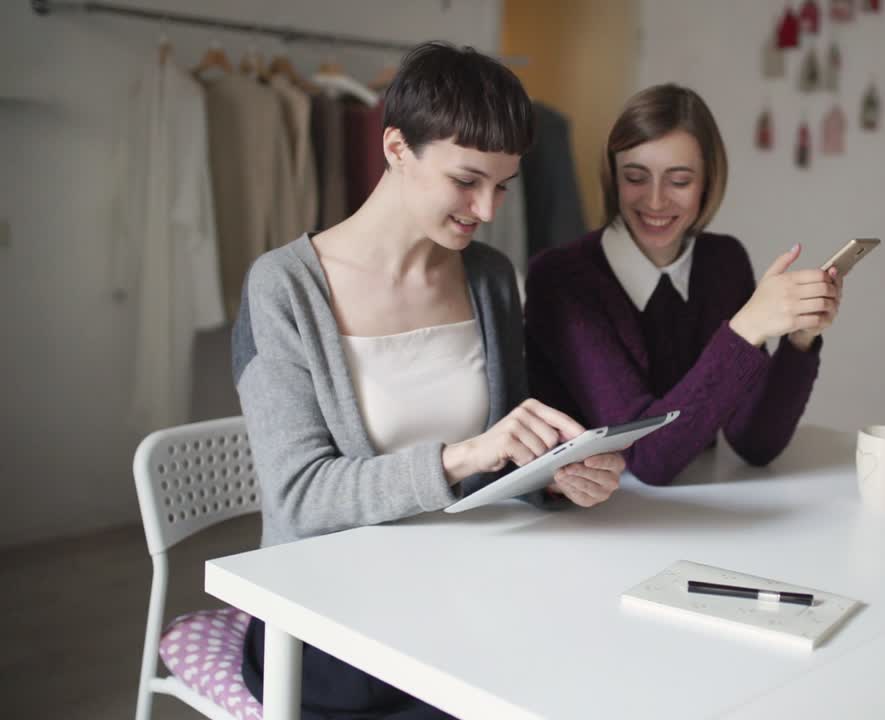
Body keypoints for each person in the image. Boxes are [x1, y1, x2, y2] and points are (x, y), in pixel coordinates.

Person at [231, 42, 625, 719]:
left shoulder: (490, 278)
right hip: (331, 622)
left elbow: (489, 481)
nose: (488, 208)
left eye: (503, 186)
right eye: (467, 180)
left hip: (462, 590)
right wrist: (466, 454)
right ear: (395, 148)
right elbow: (298, 498)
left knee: (605, 660)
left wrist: (549, 475)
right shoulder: (284, 288)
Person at [523, 84, 844, 487]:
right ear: (613, 176)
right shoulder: (561, 280)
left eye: (679, 180)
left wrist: (800, 341)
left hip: (688, 513)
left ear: (708, 182)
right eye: (636, 177)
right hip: (589, 518)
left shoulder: (724, 262)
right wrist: (747, 328)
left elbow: (753, 444)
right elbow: (647, 458)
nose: (655, 201)